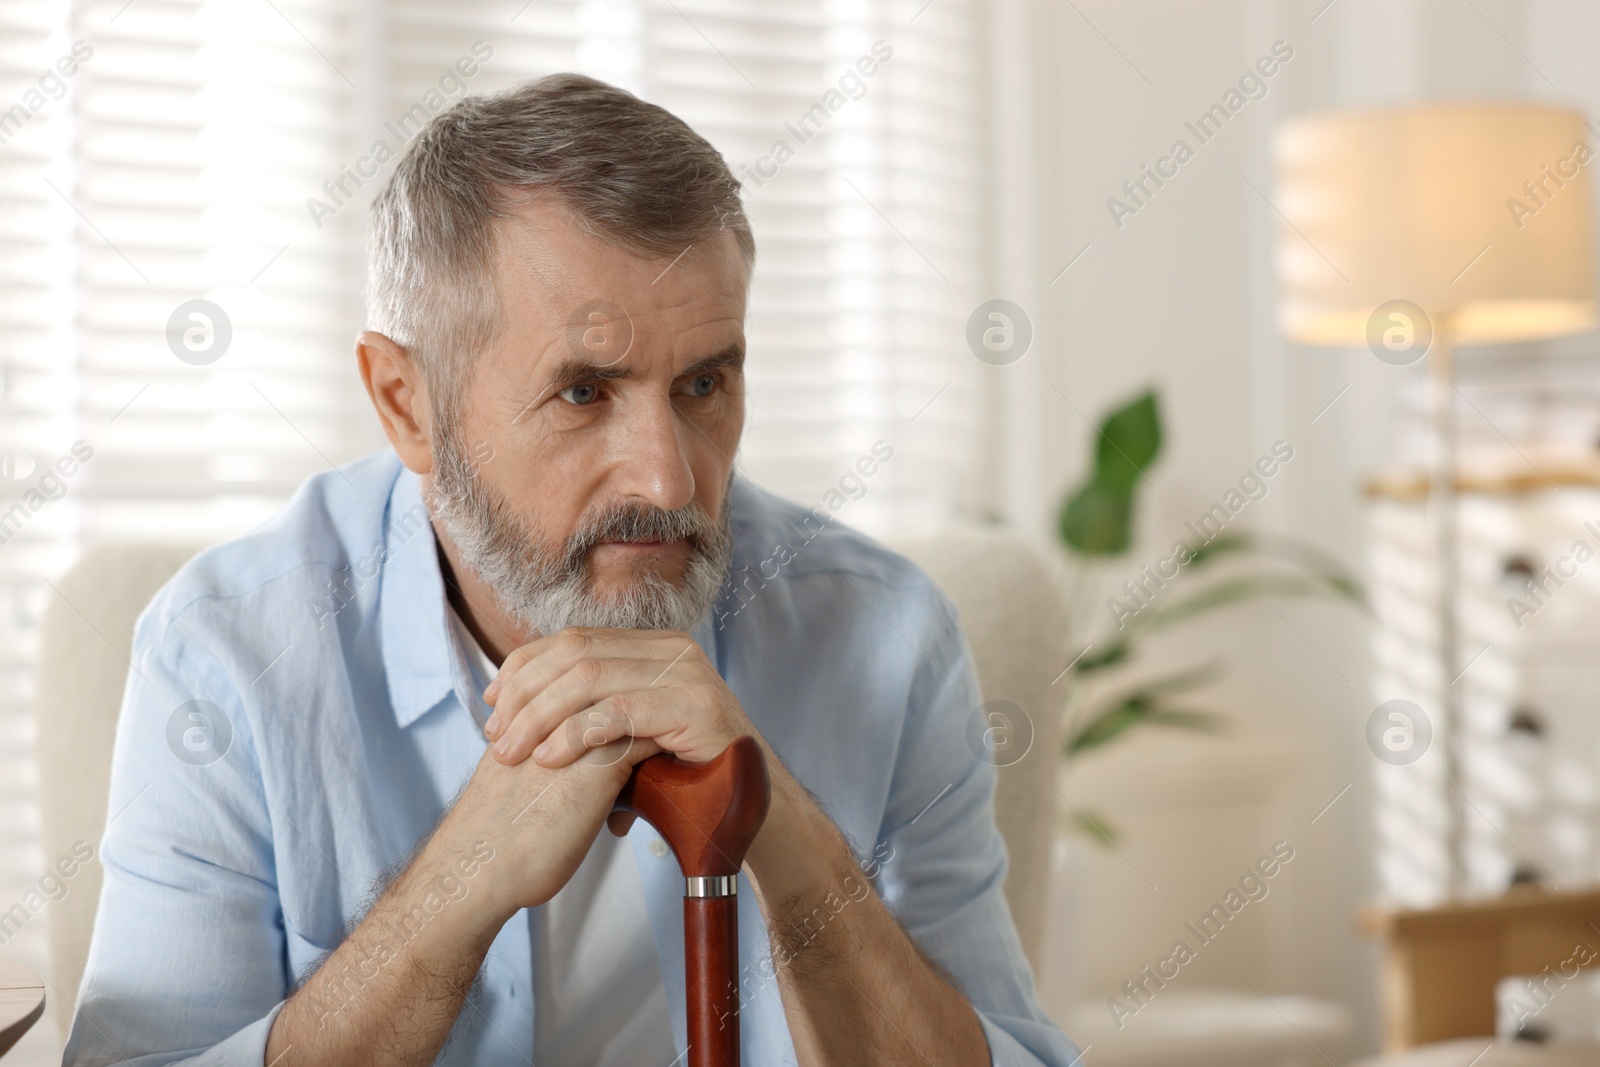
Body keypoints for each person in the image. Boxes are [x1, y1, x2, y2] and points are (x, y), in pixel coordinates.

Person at [63, 73, 1079, 1067]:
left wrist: (784, 830)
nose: (669, 471)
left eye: (704, 382)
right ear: (407, 402)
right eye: (585, 390)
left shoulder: (888, 636)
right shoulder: (228, 654)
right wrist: (458, 882)